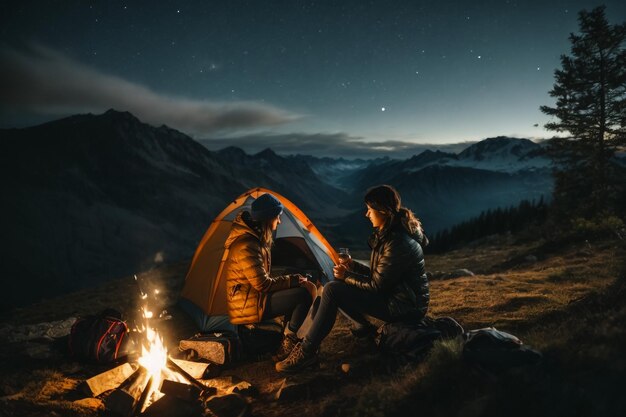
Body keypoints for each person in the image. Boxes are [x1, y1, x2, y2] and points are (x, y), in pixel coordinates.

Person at [276, 184, 429, 373]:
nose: (367, 214)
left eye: (370, 210)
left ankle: (306, 353)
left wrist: (347, 275)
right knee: (337, 286)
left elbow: (377, 285)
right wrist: (354, 267)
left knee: (333, 289)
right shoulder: (392, 235)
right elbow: (381, 275)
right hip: (398, 298)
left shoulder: (397, 243)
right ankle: (363, 332)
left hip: (405, 307)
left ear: (383, 211)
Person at [225, 193, 316, 360]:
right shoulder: (247, 245)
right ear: (268, 218)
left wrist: (294, 281)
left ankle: (288, 336)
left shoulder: (256, 240)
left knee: (298, 287)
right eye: (277, 217)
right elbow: (263, 284)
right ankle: (288, 341)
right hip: (247, 305)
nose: (279, 222)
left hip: (253, 299)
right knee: (302, 295)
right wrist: (294, 280)